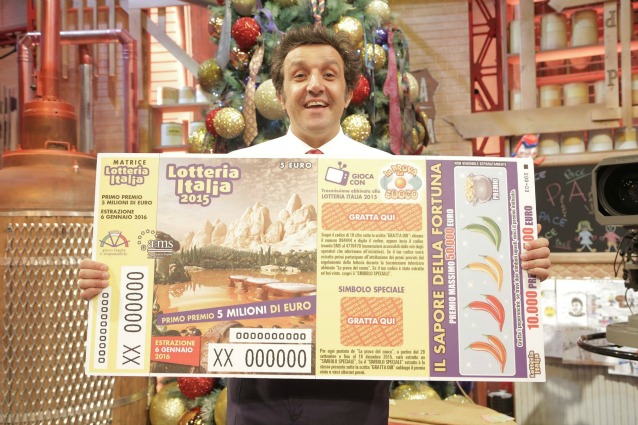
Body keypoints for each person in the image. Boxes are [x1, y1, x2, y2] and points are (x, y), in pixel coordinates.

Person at [79, 25, 552, 425]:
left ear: (347, 93)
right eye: (299, 75)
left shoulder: (393, 174)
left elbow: (446, 264)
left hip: (354, 394)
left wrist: (518, 265)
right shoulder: (245, 163)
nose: (314, 86)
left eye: (329, 75)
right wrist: (112, 278)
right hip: (255, 392)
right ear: (282, 94)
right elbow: (150, 267)